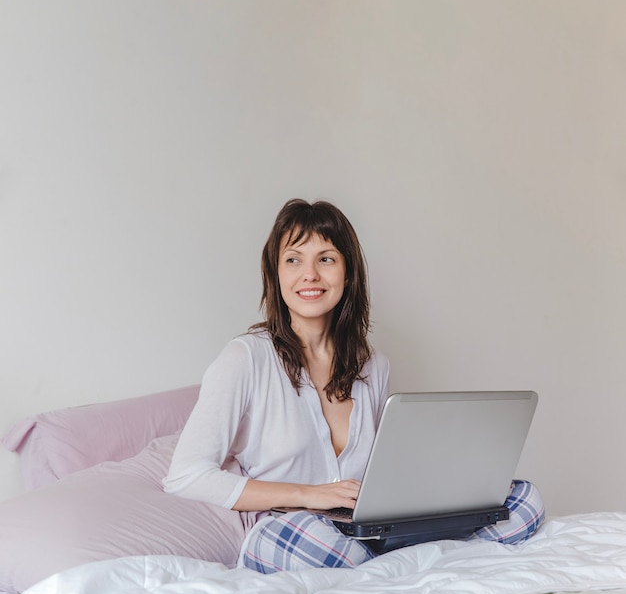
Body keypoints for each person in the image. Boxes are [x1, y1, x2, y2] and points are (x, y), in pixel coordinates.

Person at [163, 199, 545, 574]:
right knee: (319, 547)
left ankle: (400, 563)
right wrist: (308, 494)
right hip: (296, 529)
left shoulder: (374, 366)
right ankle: (425, 562)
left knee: (525, 500)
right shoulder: (246, 358)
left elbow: (384, 472)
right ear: (275, 274)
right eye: (293, 260)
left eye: (325, 259)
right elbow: (186, 475)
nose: (309, 274)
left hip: (367, 530)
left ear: (347, 273)